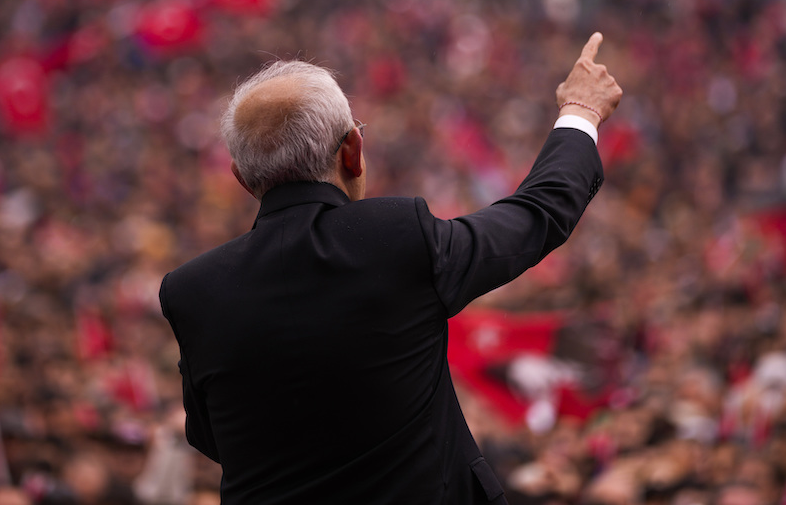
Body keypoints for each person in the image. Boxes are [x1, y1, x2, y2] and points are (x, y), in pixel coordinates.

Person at [158, 32, 622, 504]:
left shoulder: (191, 290)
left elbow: (211, 436)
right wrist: (581, 111)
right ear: (352, 151)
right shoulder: (396, 236)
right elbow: (535, 216)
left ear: (241, 178)